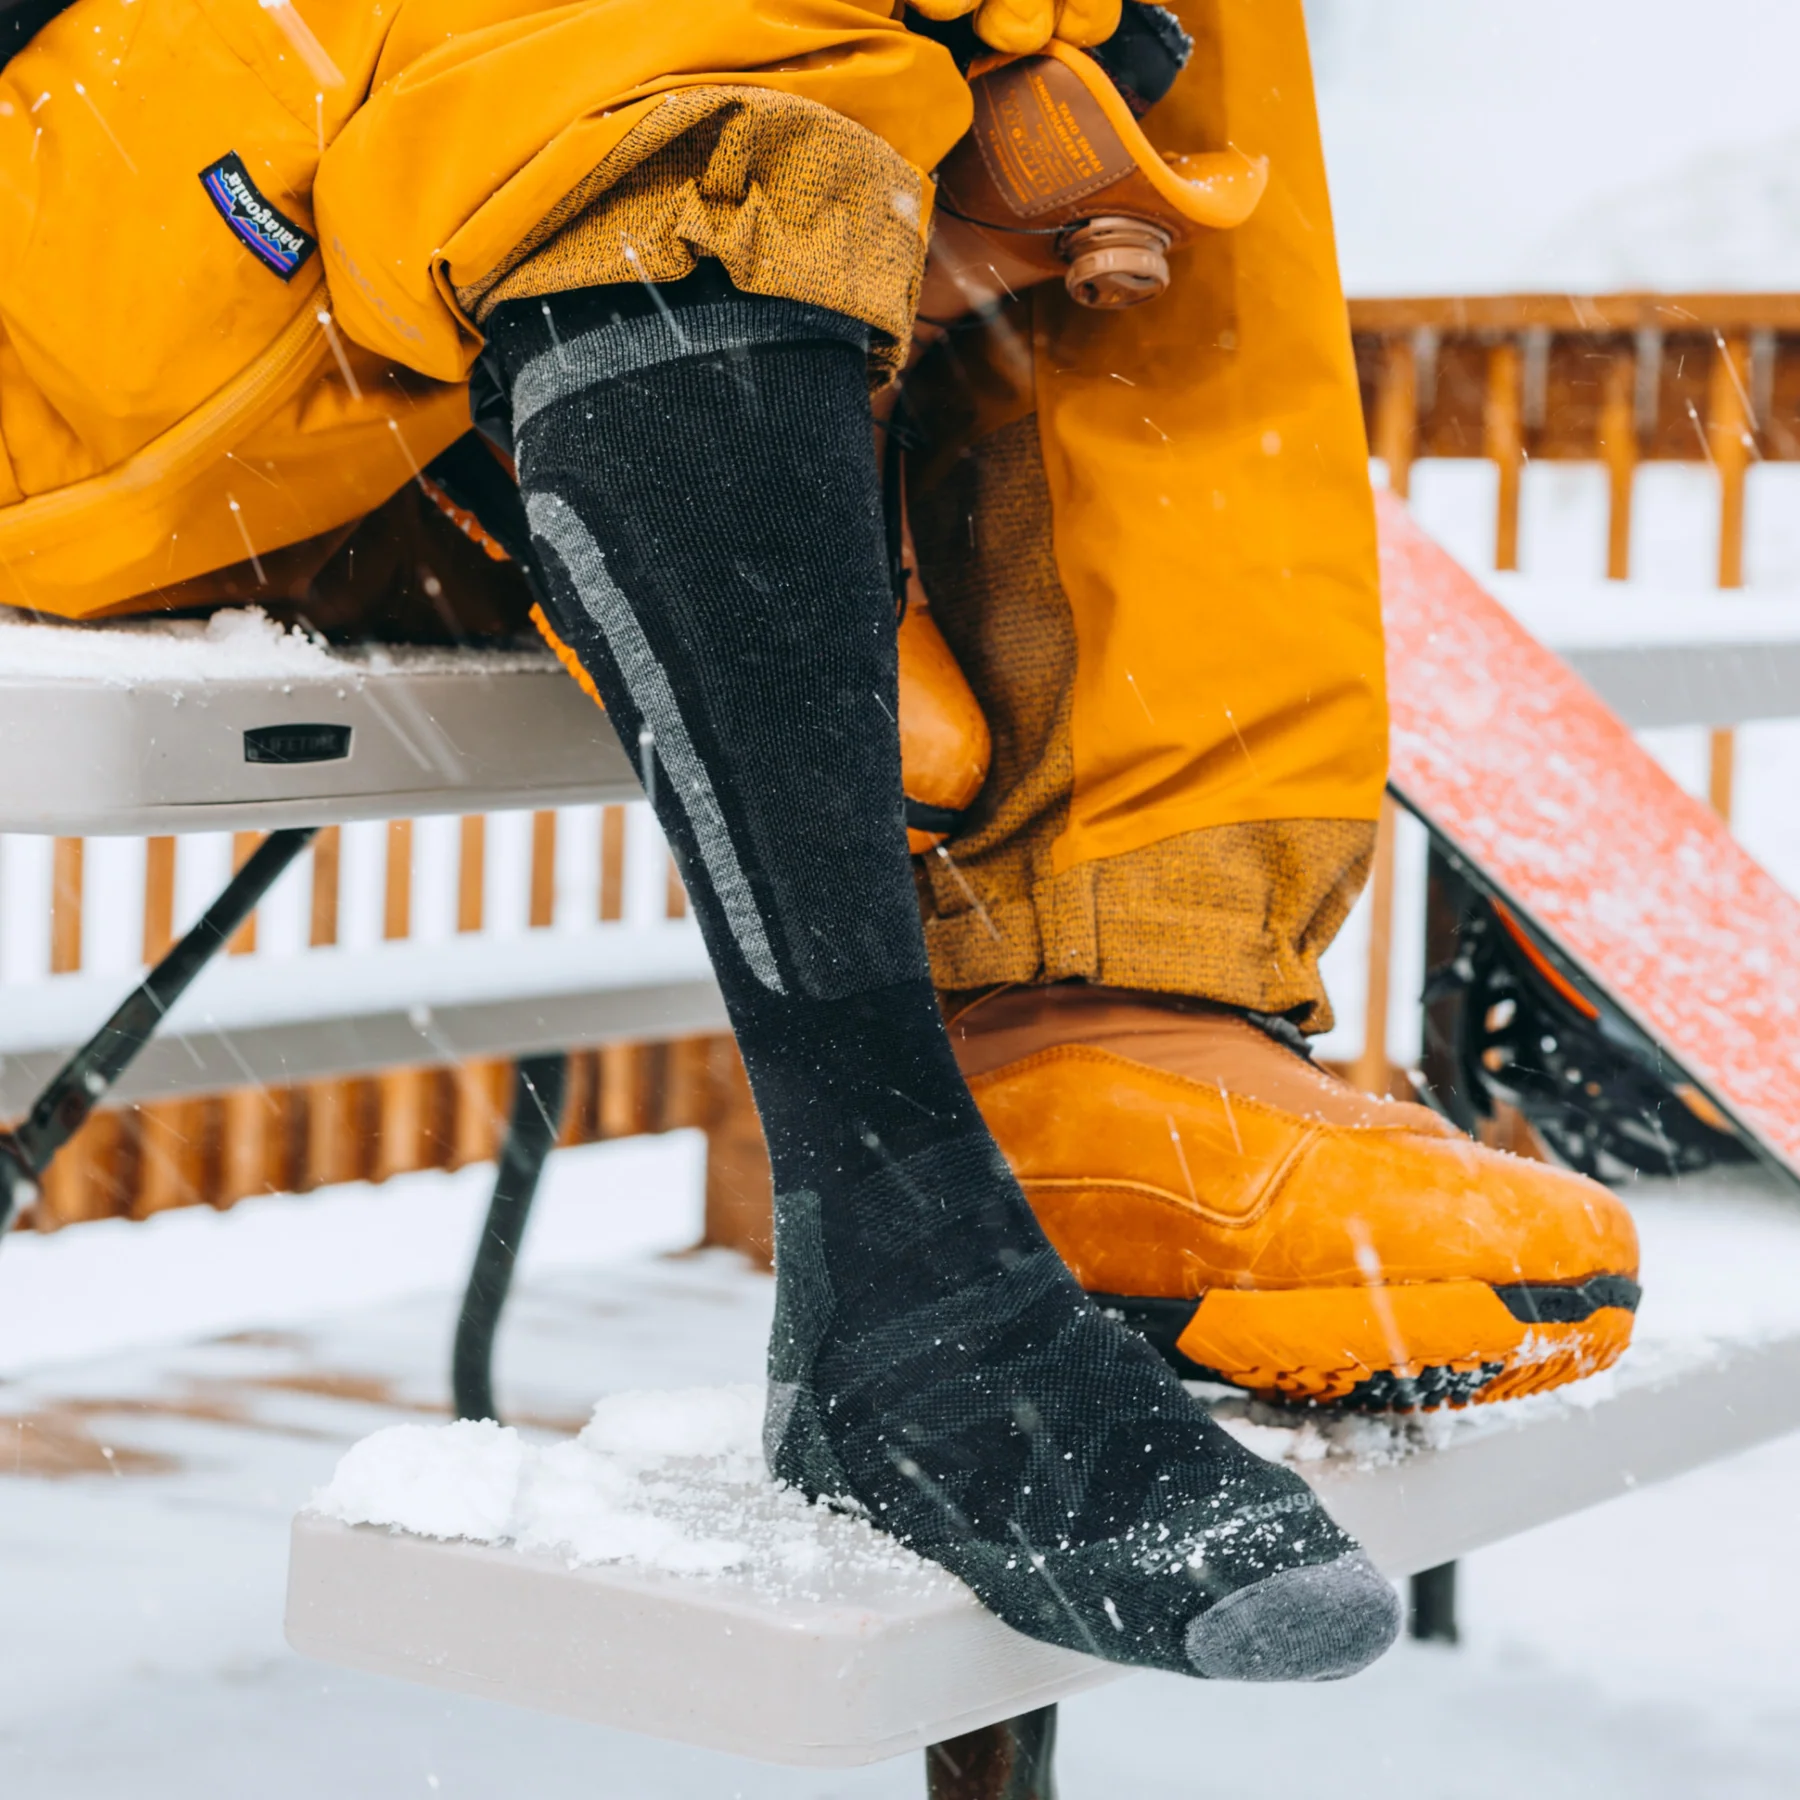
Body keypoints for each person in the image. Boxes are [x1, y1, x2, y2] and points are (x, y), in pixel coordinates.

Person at [0, 0, 1638, 1681]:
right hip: (111, 293)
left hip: (440, 375)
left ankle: (1111, 1012)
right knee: (702, 52)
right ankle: (904, 1265)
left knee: (1181, 52)